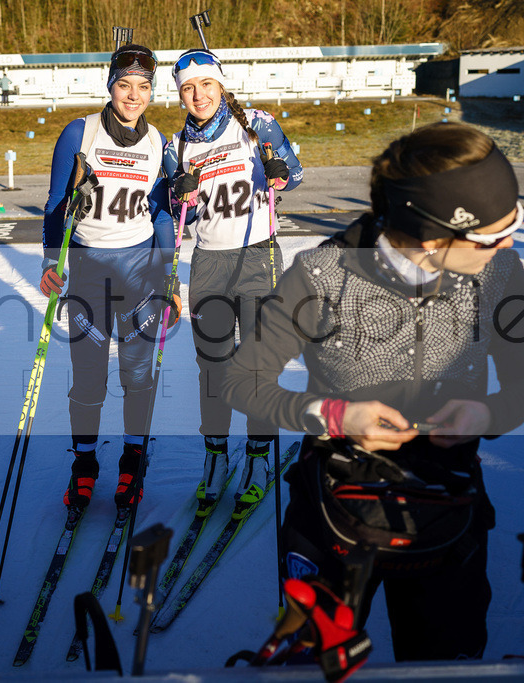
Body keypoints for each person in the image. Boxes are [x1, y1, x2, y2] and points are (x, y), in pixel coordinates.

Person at [222, 122, 524, 661]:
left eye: (515, 223)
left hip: (446, 511)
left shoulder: (499, 272)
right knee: (316, 665)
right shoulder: (320, 275)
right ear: (431, 236)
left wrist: (486, 413)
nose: (510, 244)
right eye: (494, 235)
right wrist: (331, 415)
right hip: (334, 513)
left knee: (444, 665)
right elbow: (241, 379)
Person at [162, 49, 303, 516]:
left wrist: (280, 173)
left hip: (258, 256)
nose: (198, 95)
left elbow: (294, 172)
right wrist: (175, 191)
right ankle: (216, 458)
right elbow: (168, 207)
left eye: (205, 84)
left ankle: (259, 460)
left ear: (220, 85)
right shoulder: (176, 145)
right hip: (209, 264)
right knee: (214, 367)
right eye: (187, 88)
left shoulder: (256, 124)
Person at [40, 44, 176, 510]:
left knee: (138, 377)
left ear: (151, 93)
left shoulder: (159, 142)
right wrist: (48, 264)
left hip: (140, 273)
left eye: (142, 88)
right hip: (88, 272)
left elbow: (160, 215)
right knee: (89, 379)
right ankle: (83, 466)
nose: (133, 96)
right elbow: (55, 203)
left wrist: (170, 277)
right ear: (110, 85)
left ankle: (132, 463)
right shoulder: (79, 133)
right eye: (124, 85)